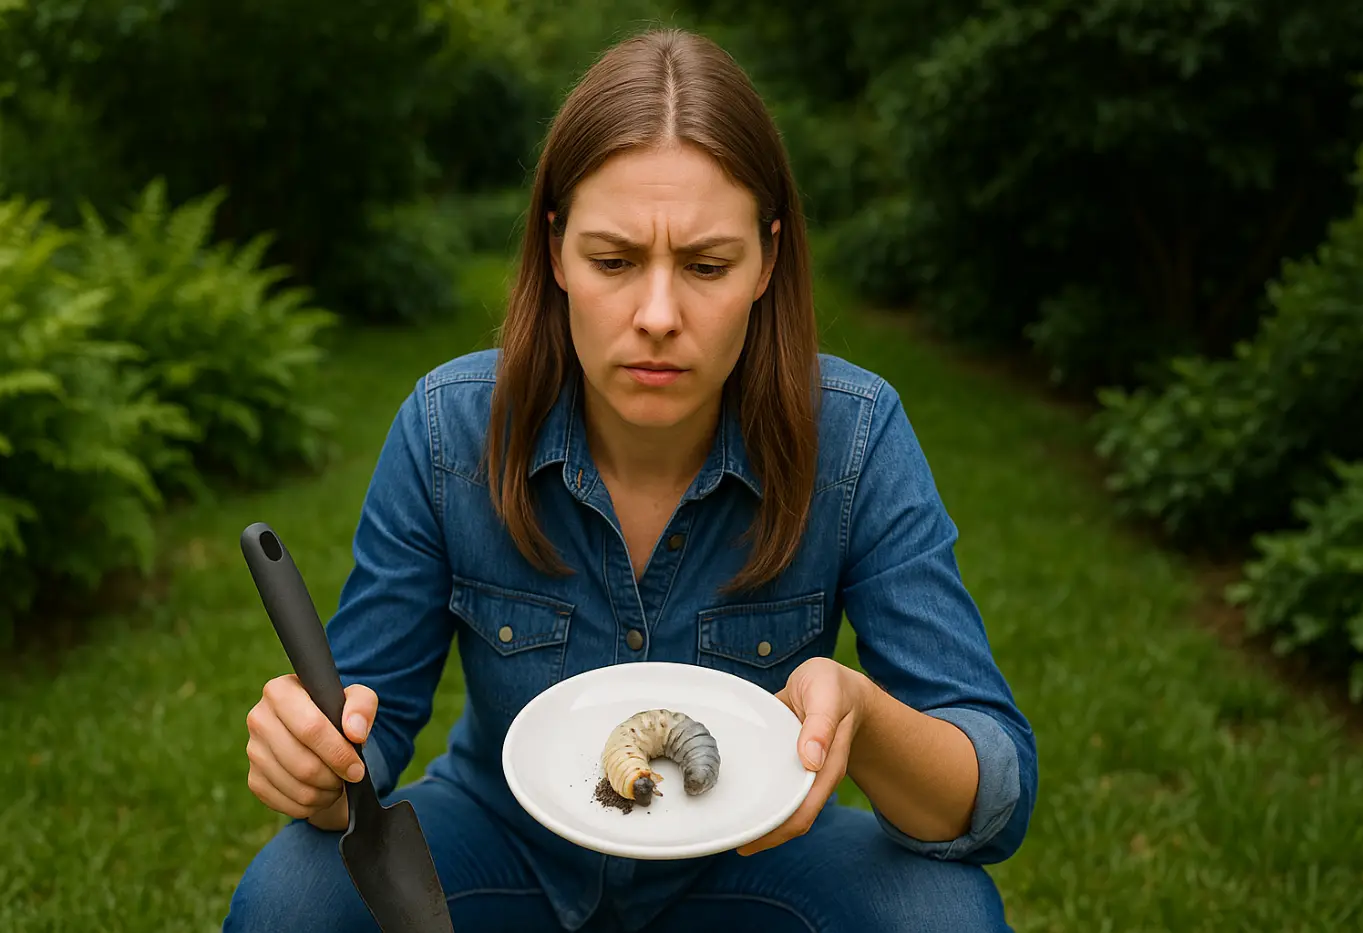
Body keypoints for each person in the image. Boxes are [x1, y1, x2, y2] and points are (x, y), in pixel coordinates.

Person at [222, 26, 1036, 933]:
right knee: (291, 895)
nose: (657, 316)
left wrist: (868, 715)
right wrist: (317, 764)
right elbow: (360, 744)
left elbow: (990, 796)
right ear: (557, 249)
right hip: (503, 840)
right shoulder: (450, 428)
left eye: (706, 265)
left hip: (759, 861)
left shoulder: (854, 436)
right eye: (613, 262)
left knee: (945, 913)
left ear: (768, 258)